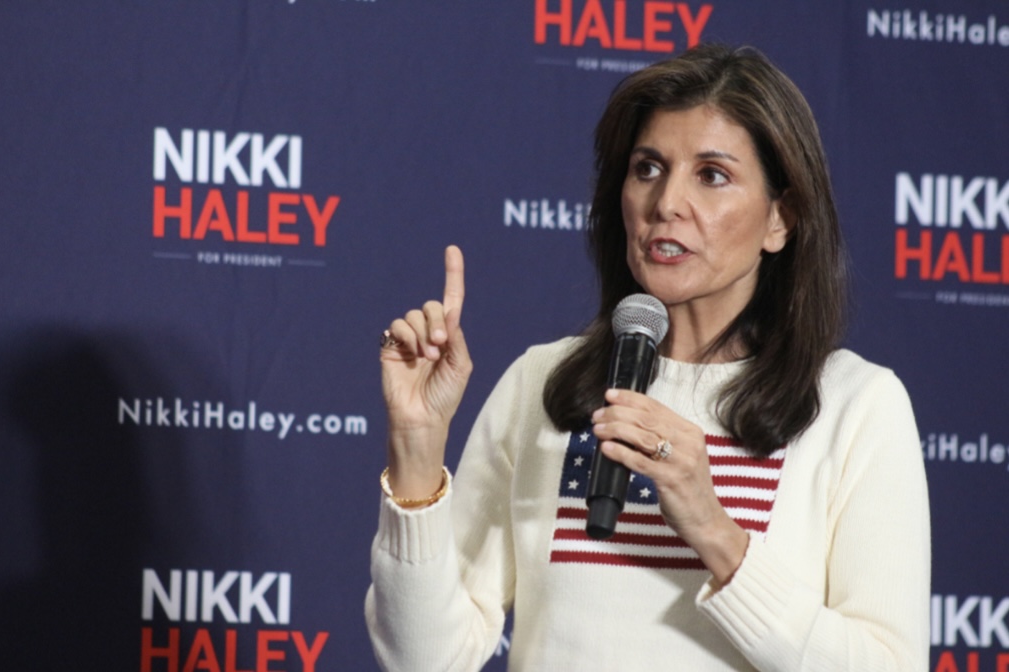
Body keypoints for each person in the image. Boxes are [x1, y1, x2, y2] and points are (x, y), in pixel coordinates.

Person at [365, 44, 930, 671]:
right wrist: (416, 454)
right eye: (648, 168)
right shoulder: (542, 384)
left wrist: (715, 531)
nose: (666, 203)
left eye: (711, 175)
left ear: (780, 219)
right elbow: (423, 661)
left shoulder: (856, 405)